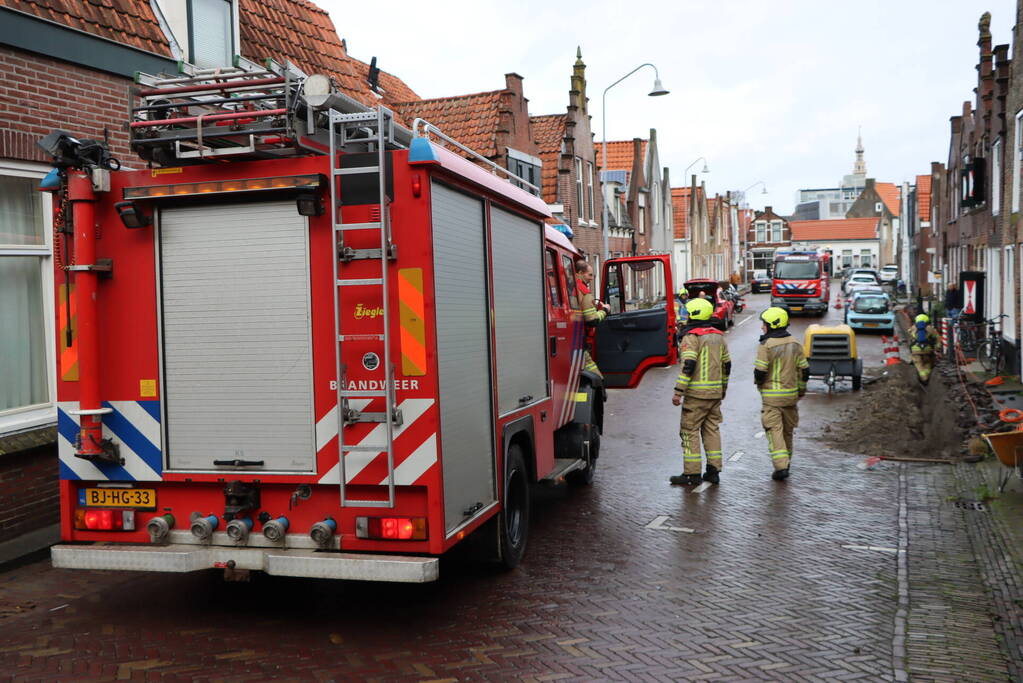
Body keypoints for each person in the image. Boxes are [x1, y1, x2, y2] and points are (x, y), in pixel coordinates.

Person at [670, 298, 731, 486]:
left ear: (694, 314)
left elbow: (688, 365)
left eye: (687, 313)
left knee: (689, 431)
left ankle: (691, 474)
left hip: (696, 395)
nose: (685, 316)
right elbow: (727, 365)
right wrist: (723, 389)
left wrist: (678, 392)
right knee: (711, 430)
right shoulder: (718, 336)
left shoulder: (692, 337)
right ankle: (713, 471)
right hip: (715, 394)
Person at [754, 307, 809, 481]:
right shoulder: (795, 343)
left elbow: (760, 372)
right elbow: (804, 370)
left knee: (774, 430)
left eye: (764, 324)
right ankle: (787, 461)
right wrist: (800, 390)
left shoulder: (766, 345)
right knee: (787, 431)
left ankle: (781, 467)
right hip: (791, 396)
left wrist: (761, 387)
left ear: (771, 324)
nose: (762, 327)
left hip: (772, 397)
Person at [575, 260, 610, 377]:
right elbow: (592, 320)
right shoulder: (584, 291)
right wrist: (604, 310)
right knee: (595, 375)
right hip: (578, 341)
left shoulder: (570, 286)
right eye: (589, 275)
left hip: (572, 339)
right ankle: (599, 389)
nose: (591, 278)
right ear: (580, 272)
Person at [910, 313, 939, 383]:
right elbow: (938, 340)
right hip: (927, 349)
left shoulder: (913, 327)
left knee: (918, 364)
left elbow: (910, 335)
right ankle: (926, 375)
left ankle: (924, 378)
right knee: (928, 363)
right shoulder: (930, 328)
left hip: (915, 350)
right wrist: (936, 349)